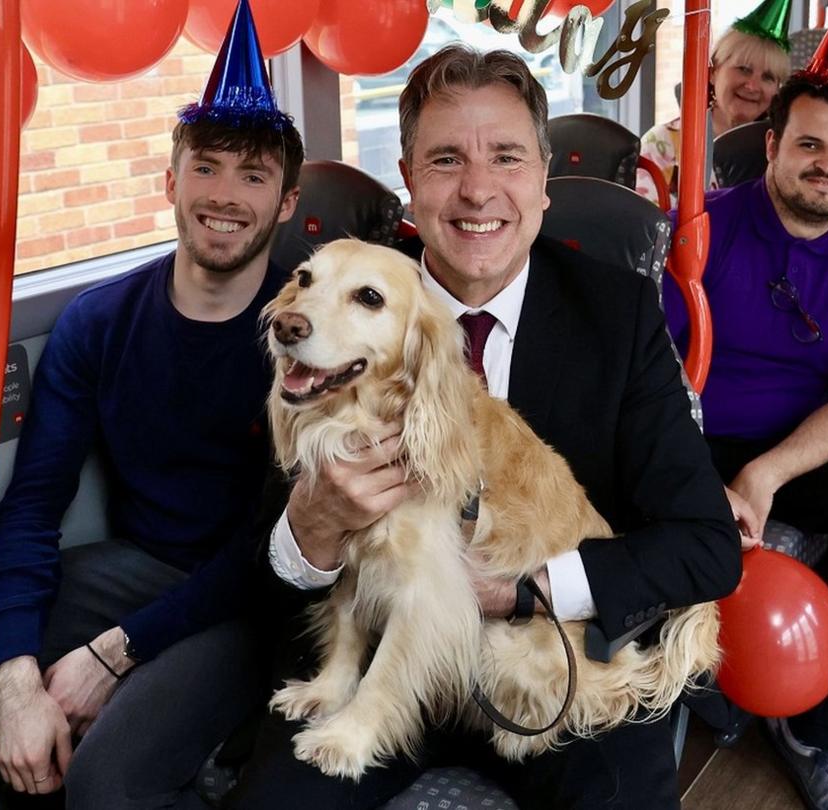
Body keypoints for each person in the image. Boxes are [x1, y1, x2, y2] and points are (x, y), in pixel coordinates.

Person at [221, 44, 740, 810]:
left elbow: (705, 547)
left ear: (541, 178)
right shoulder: (334, 302)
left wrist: (518, 592)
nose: (476, 189)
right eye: (444, 160)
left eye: (505, 157)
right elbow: (263, 557)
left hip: (544, 657)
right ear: (407, 179)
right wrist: (314, 528)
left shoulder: (619, 314)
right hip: (368, 655)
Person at [0, 11, 305, 806]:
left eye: (253, 176)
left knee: (105, 782)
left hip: (253, 600)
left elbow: (280, 544)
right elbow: (33, 505)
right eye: (207, 168)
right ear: (170, 182)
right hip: (133, 570)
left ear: (287, 202)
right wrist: (19, 680)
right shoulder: (98, 320)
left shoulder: (311, 332)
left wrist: (114, 656)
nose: (224, 196)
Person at [664, 63, 828, 810]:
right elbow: (652, 384)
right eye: (810, 145)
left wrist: (766, 475)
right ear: (772, 145)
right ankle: (689, 686)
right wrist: (694, 474)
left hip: (793, 445)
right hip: (692, 434)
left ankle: (814, 726)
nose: (827, 167)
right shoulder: (699, 231)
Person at [636, 0, 793, 205]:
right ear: (713, 72)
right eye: (743, 69)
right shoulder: (662, 144)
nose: (753, 86)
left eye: (768, 77)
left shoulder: (783, 150)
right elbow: (643, 229)